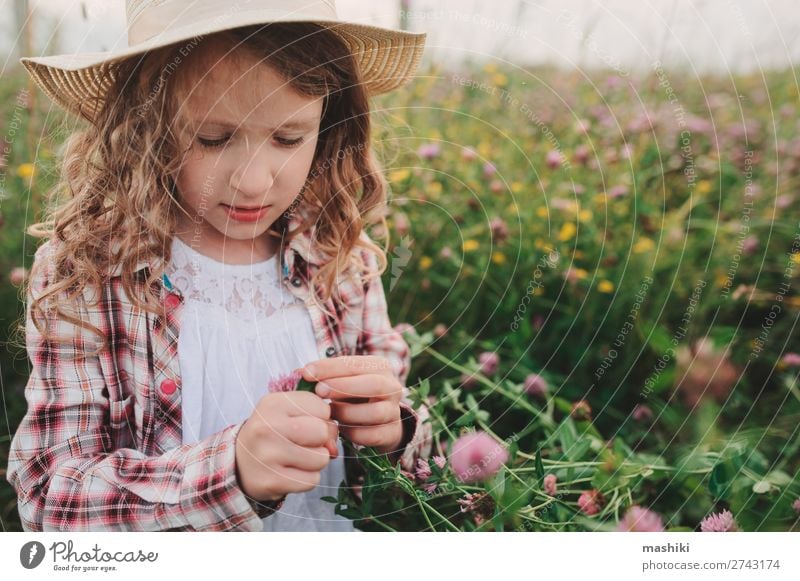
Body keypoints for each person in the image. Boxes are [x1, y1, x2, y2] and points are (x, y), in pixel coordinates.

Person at [7, 0, 432, 532]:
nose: (253, 182)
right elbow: (49, 499)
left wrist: (396, 429)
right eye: (212, 138)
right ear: (146, 127)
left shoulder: (338, 256)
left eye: (288, 138)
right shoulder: (91, 272)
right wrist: (231, 471)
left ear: (328, 125)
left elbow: (413, 441)